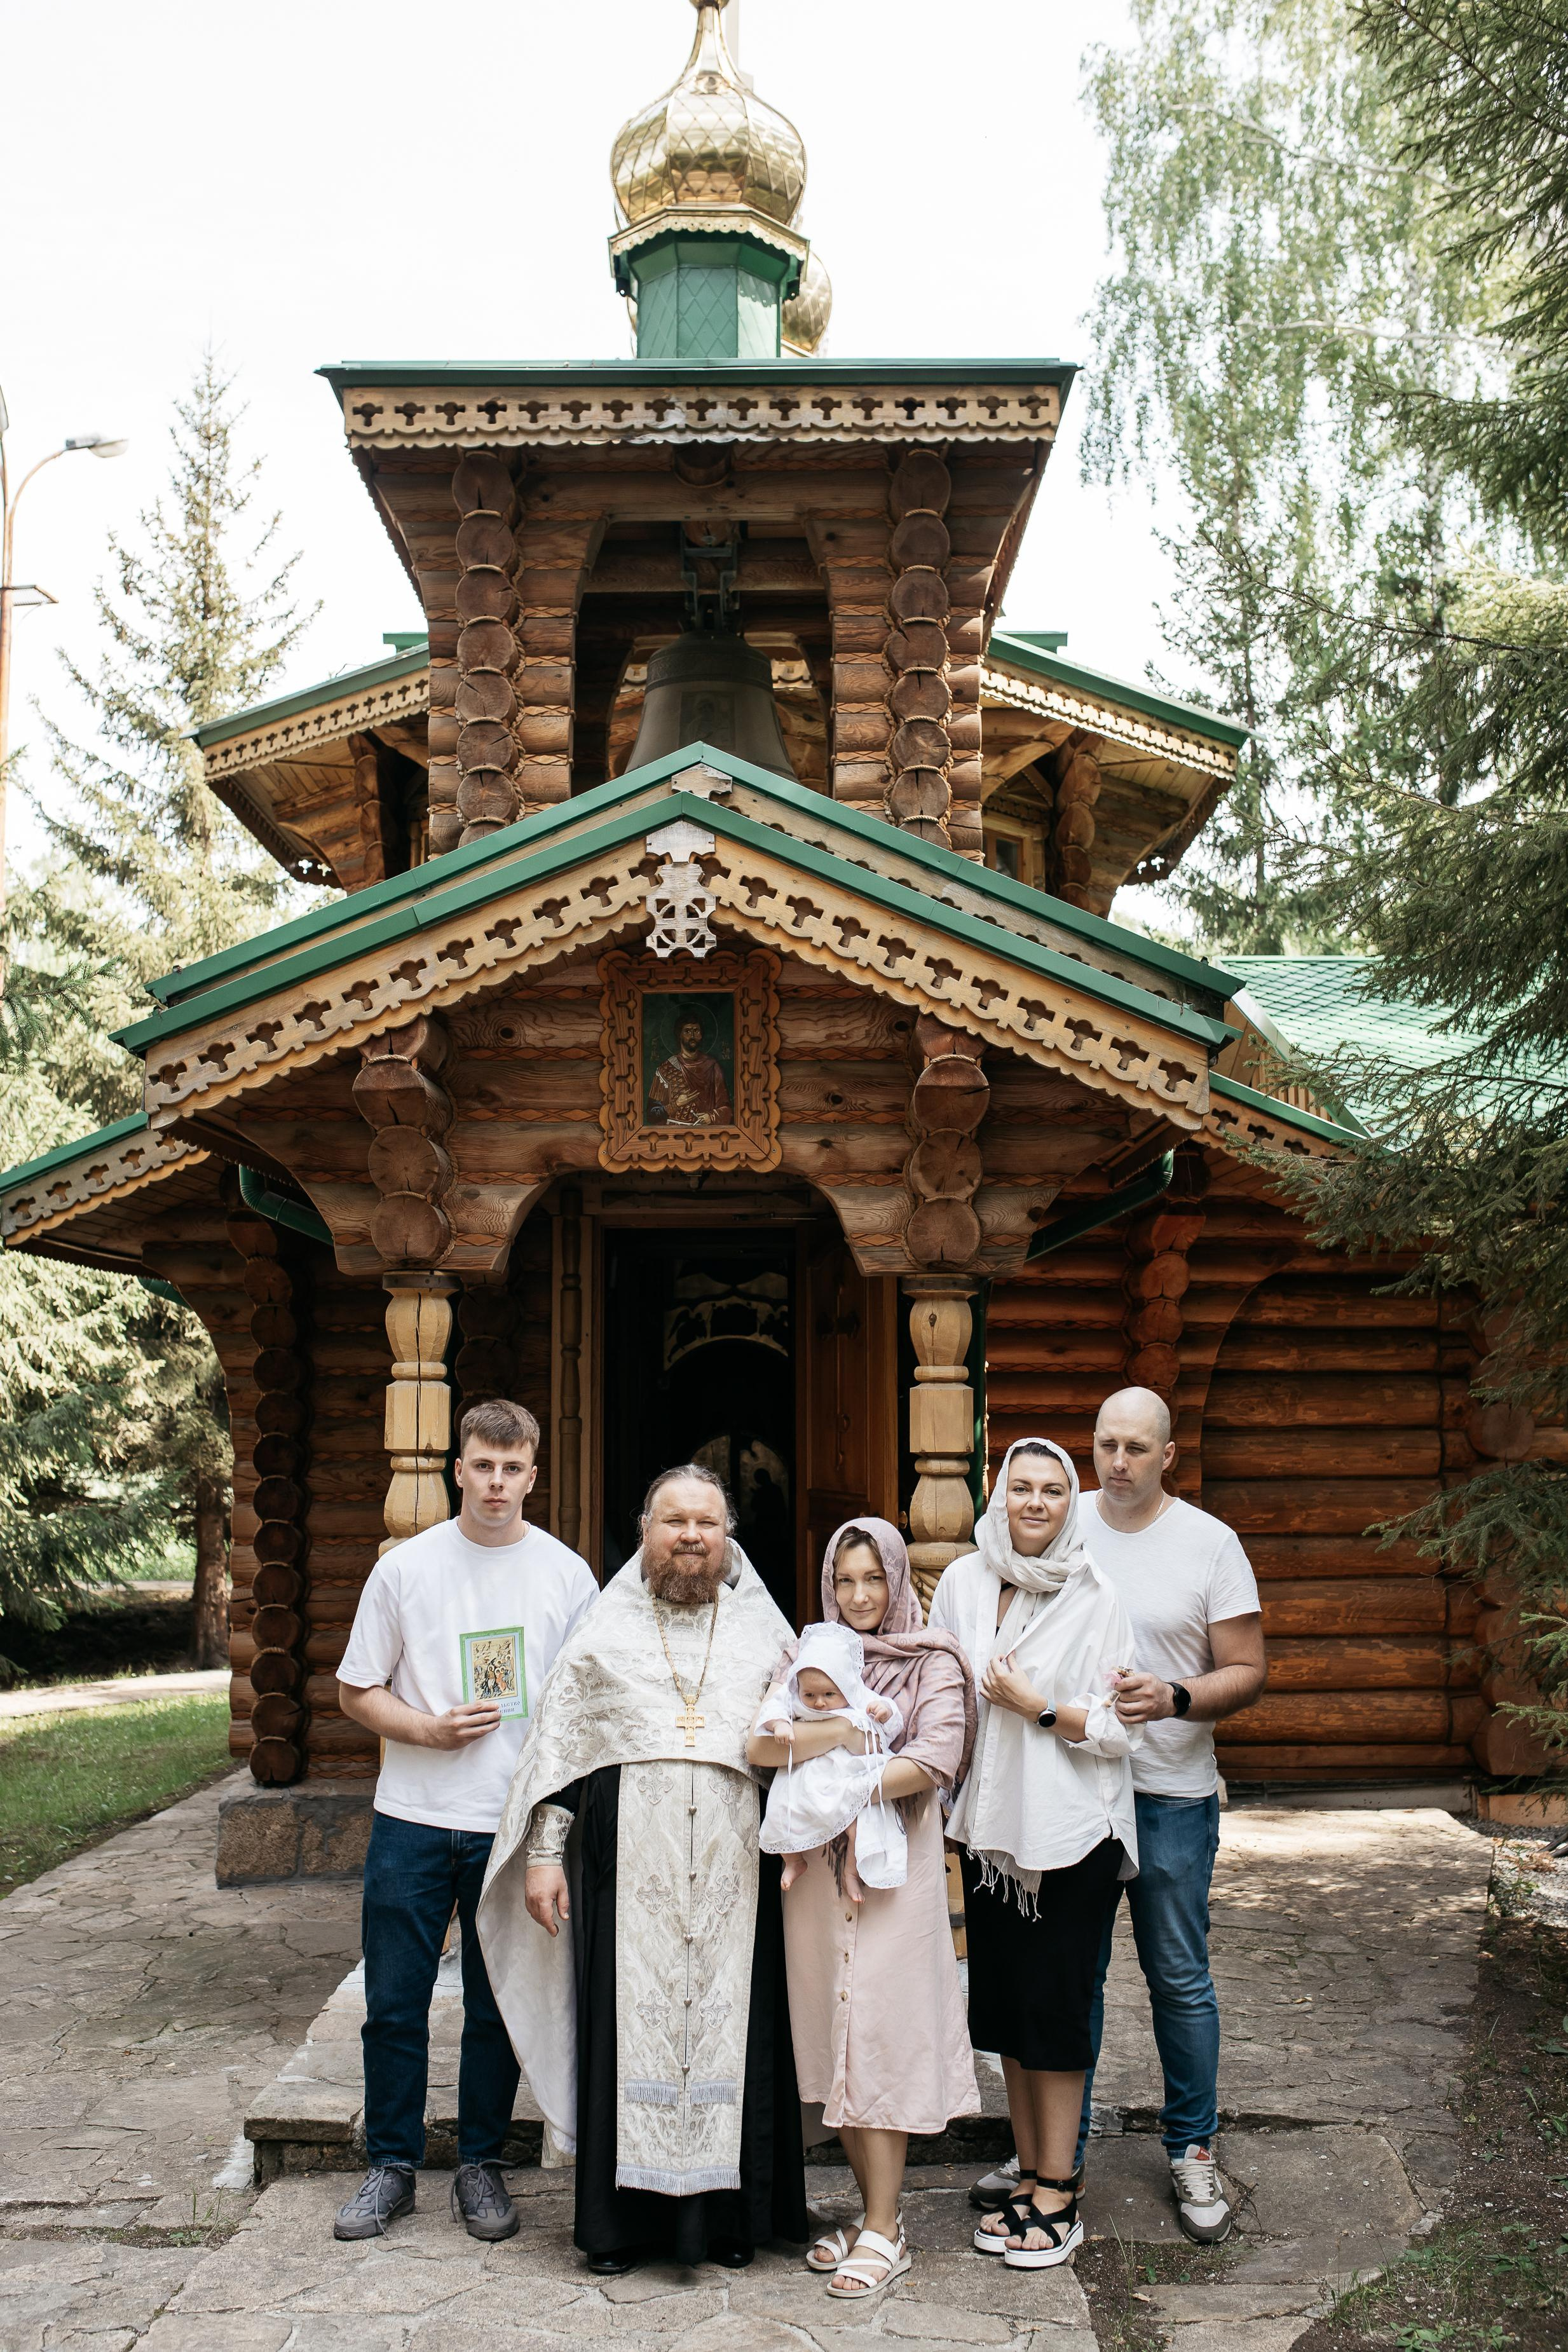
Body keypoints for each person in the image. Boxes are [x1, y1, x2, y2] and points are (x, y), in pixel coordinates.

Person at [478, 1465, 807, 2274]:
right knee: (625, 2032)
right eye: (674, 1521)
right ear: (645, 1533)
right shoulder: (605, 1633)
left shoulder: (767, 1636)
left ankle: (731, 2222)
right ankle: (618, 2227)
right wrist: (543, 1857)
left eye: (707, 1522)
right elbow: (562, 1755)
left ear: (728, 1538)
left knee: (739, 2028)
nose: (691, 1535)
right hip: (624, 1874)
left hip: (737, 1876)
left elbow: (802, 1746)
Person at [331, 1398, 597, 2244]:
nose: (495, 1483)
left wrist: (552, 1832)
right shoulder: (406, 1569)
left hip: (508, 1825)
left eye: (512, 1468)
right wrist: (427, 1730)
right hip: (411, 1816)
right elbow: (355, 1689)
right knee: (394, 2003)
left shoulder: (567, 1576)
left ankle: (481, 2164)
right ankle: (391, 2166)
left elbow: (583, 1715)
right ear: (458, 1469)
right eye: (482, 1465)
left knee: (494, 2007)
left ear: (533, 1475)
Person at [750, 1518, 977, 2302]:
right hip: (817, 1877)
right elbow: (759, 1745)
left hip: (892, 1873)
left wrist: (837, 1776)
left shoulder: (933, 1660)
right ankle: (876, 2215)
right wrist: (845, 1733)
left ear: (897, 1579)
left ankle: (884, 2225)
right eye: (843, 1580)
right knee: (834, 2031)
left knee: (880, 2032)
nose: (858, 1596)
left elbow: (936, 1757)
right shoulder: (806, 1653)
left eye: (873, 1578)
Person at [932, 1439, 1141, 2272]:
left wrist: (1037, 1706)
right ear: (998, 1497)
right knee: (1010, 2012)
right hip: (992, 1835)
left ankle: (1059, 2190)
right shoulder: (962, 1582)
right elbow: (940, 1690)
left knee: (1054, 2012)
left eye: (1052, 1490)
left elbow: (1119, 1728)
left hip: (1069, 1835)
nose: (1034, 1502)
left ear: (1069, 1502)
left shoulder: (1097, 1595)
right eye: (1019, 1487)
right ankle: (1027, 2170)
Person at [1078, 1385, 1267, 2243]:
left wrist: (1175, 1696)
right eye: (1104, 1445)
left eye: (1134, 1448)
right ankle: (1057, 2150)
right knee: (1071, 1978)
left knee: (1179, 1979)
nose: (1116, 1463)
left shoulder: (1208, 1543)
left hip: (1170, 1796)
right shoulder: (1060, 1524)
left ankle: (1191, 2146)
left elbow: (1247, 1670)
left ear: (1167, 1456)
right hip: (1076, 1792)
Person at [754, 1620, 905, 1897]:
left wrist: (884, 1711)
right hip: (805, 1774)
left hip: (844, 1773)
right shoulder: (793, 1698)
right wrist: (780, 1724)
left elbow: (893, 1716)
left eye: (828, 1694)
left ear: (845, 1687)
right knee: (780, 1812)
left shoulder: (857, 1696)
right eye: (810, 1695)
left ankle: (851, 1872)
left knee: (858, 1828)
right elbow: (773, 1709)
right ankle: (794, 1860)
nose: (819, 1703)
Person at [646, 1012, 732, 1126]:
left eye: (696, 1031)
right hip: (673, 1133)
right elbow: (651, 1115)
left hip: (705, 1132)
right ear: (679, 1035)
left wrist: (712, 1117)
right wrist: (676, 1104)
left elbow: (727, 1109)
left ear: (701, 1034)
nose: (692, 1036)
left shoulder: (712, 1066)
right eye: (687, 1031)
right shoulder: (666, 1069)